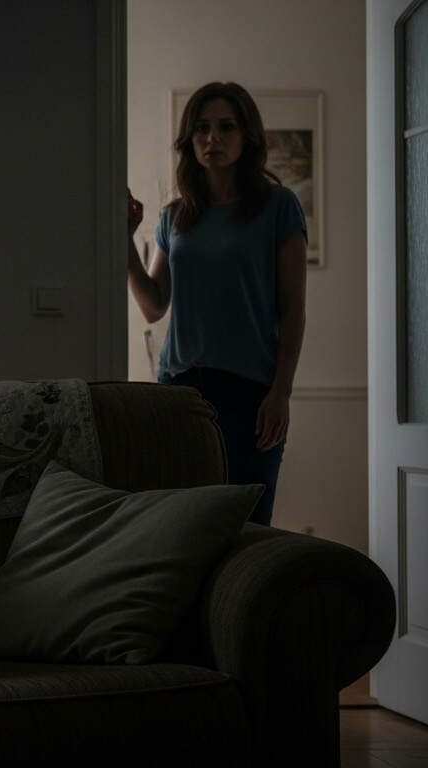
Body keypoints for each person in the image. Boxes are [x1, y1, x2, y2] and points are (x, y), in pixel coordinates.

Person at [127, 81, 308, 526]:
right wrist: (124, 240)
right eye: (202, 128)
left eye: (226, 127)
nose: (213, 138)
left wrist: (280, 393)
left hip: (251, 397)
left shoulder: (278, 207)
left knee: (246, 532)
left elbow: (293, 309)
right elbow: (153, 306)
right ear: (189, 139)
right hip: (181, 393)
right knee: (183, 531)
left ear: (247, 136)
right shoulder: (176, 215)